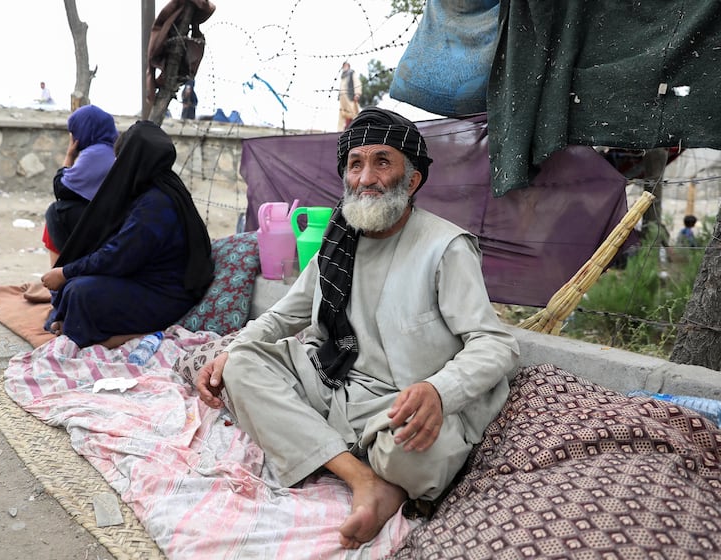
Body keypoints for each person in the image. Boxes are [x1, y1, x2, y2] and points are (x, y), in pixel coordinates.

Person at [196, 108, 520, 549]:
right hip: (336, 384)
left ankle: (337, 455)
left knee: (415, 451)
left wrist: (439, 392)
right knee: (241, 366)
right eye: (355, 164)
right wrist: (233, 349)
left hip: (403, 403)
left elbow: (496, 344)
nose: (366, 177)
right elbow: (285, 315)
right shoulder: (339, 237)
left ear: (414, 179)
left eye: (382, 162)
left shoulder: (446, 247)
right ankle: (362, 478)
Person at [40, 120, 215, 349]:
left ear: (131, 160)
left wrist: (65, 272)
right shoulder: (158, 188)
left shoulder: (156, 203)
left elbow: (118, 257)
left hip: (166, 296)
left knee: (79, 292)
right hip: (147, 281)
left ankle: (118, 337)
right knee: (76, 285)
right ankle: (80, 326)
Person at [42, 104, 119, 266]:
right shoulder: (109, 150)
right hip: (109, 220)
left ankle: (62, 271)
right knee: (58, 215)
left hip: (106, 224)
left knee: (56, 213)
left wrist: (70, 155)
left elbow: (61, 188)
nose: (73, 136)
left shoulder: (96, 153)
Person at [337, 61, 362, 131]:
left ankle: (357, 128)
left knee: (353, 112)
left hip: (350, 96)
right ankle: (340, 131)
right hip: (342, 98)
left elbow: (357, 82)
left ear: (348, 66)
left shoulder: (351, 73)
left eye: (346, 65)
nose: (344, 67)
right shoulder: (342, 76)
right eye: (343, 66)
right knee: (342, 114)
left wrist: (357, 93)